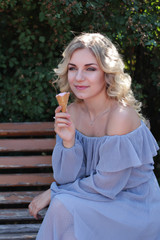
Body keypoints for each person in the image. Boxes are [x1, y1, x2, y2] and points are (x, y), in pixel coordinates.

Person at [29, 33, 160, 240]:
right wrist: (69, 142)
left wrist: (53, 193)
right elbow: (66, 178)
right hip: (92, 202)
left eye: (90, 69)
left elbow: (106, 185)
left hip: (132, 206)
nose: (79, 78)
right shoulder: (70, 112)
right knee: (70, 232)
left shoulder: (120, 116)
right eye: (73, 68)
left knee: (62, 204)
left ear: (107, 73)